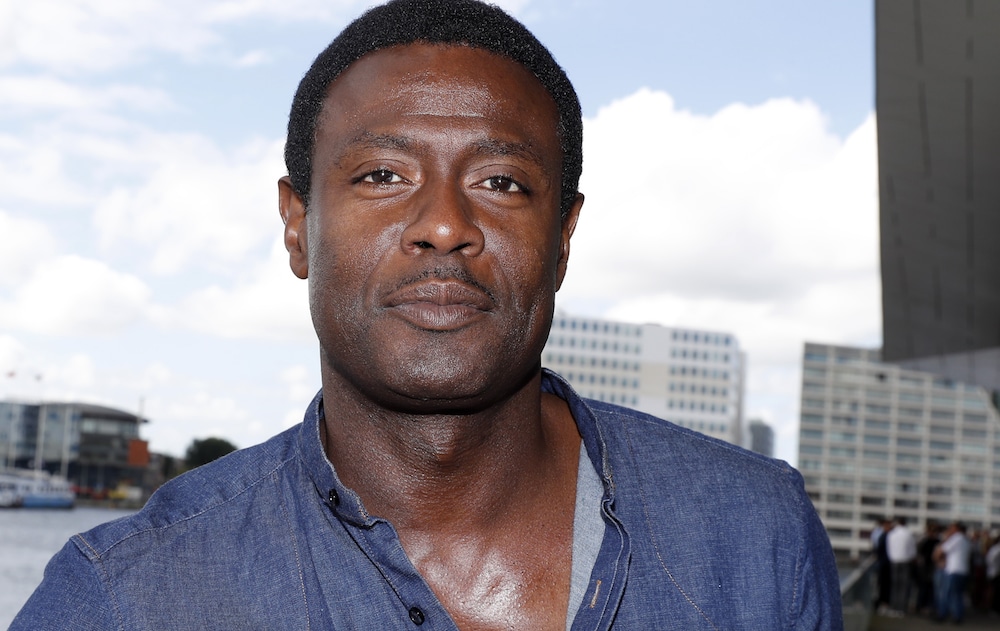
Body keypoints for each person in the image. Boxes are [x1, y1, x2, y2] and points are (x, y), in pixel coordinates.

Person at [11, 0, 843, 628]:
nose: (444, 223)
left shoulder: (757, 537)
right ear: (298, 226)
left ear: (563, 239)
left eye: (500, 182)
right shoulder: (125, 598)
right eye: (382, 175)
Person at [936, 522, 971, 624]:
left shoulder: (956, 538)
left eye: (951, 528)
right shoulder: (965, 539)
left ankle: (944, 615)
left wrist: (946, 538)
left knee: (948, 594)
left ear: (956, 529)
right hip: (962, 570)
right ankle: (957, 616)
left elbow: (942, 550)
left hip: (953, 570)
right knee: (958, 595)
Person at [885, 516, 916, 616]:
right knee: (904, 586)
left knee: (894, 586)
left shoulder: (891, 534)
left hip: (894, 561)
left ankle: (893, 607)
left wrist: (892, 557)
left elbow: (888, 548)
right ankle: (901, 608)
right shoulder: (908, 533)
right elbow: (913, 550)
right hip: (905, 561)